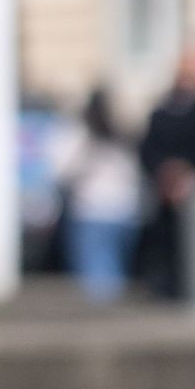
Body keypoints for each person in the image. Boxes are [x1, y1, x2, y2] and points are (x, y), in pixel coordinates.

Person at [48, 87, 144, 302]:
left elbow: (61, 173)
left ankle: (105, 314)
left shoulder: (78, 134)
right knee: (113, 269)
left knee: (97, 273)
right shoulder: (122, 136)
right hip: (125, 210)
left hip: (91, 211)